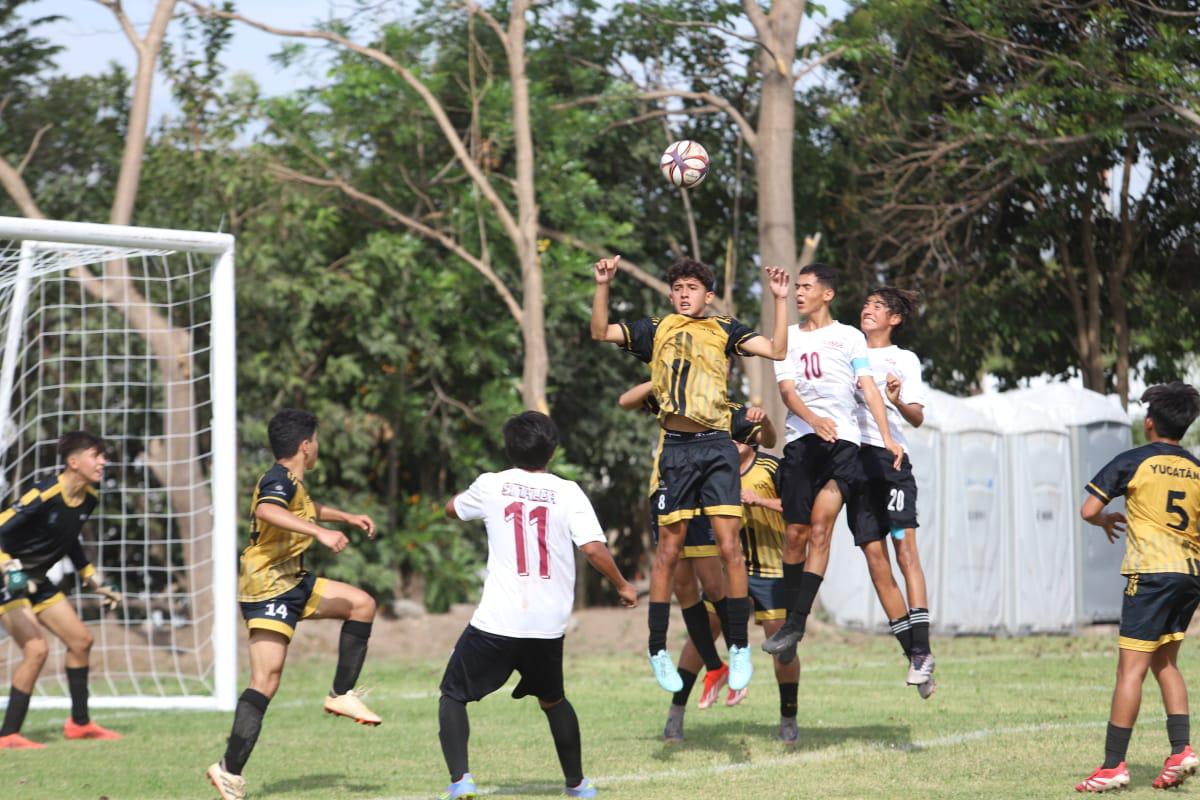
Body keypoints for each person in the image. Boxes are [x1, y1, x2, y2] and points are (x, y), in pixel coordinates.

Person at [591, 254, 789, 694]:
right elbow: (600, 331)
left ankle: (739, 645)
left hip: (717, 445)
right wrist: (603, 284)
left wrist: (779, 300)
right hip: (677, 449)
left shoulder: (724, 329)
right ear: (670, 295)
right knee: (668, 552)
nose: (684, 294)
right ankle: (657, 648)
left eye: (692, 288)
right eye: (678, 288)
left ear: (708, 296)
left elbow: (777, 350)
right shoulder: (656, 328)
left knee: (729, 547)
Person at [437, 411, 637, 800]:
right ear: (553, 450)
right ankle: (577, 785)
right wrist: (622, 585)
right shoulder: (568, 491)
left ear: (508, 448)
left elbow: (451, 508)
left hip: (497, 619)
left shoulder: (491, 485)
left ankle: (461, 781)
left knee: (453, 694)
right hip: (547, 624)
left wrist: (467, 501)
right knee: (553, 700)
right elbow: (593, 548)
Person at [207, 409, 380, 800]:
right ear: (306, 445)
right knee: (266, 681)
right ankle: (228, 771)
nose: (317, 447)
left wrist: (346, 517)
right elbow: (268, 510)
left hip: (294, 580)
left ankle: (341, 694)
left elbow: (305, 509)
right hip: (268, 587)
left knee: (362, 604)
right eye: (315, 440)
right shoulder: (277, 479)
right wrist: (320, 533)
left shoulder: (293, 483)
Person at [762, 264, 902, 662]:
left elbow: (868, 388)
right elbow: (787, 392)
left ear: (827, 294)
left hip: (842, 445)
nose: (799, 293)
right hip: (801, 443)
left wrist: (887, 436)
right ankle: (791, 623)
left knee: (821, 527)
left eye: (806, 287)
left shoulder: (850, 337)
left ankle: (795, 624)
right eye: (797, 287)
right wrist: (813, 420)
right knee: (795, 534)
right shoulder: (785, 337)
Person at [1075, 383, 1200, 793]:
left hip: (1150, 573)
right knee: (1165, 662)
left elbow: (1089, 509)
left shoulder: (1134, 461)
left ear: (1149, 423)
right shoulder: (1197, 468)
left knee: (1130, 670)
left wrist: (1104, 520)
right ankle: (1181, 751)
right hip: (1189, 574)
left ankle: (1113, 766)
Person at [619, 381, 773, 712]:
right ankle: (714, 667)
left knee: (713, 584)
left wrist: (764, 420)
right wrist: (660, 374)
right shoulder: (671, 393)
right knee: (683, 586)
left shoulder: (727, 409)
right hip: (667, 488)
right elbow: (626, 399)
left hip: (705, 498)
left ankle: (737, 649)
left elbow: (766, 438)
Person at [0, 430, 124, 749]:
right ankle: (8, 735)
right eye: (96, 456)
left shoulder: (90, 497)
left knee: (81, 641)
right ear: (73, 462)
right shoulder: (44, 493)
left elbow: (69, 540)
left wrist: (93, 579)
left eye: (103, 456)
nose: (103, 462)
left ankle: (79, 724)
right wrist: (9, 567)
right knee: (36, 649)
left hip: (37, 581)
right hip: (6, 579)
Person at [847, 287, 935, 696]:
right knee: (875, 560)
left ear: (894, 319)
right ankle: (914, 656)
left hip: (890, 463)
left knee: (905, 553)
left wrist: (897, 400)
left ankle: (923, 650)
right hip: (854, 466)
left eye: (877, 306)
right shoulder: (847, 350)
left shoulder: (905, 359)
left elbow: (916, 418)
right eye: (866, 304)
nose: (867, 310)